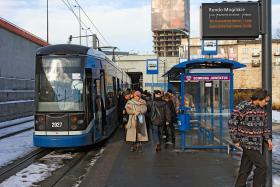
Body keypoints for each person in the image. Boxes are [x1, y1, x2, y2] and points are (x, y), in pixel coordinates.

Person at [228, 89, 272, 187]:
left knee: (245, 169)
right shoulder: (243, 107)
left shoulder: (262, 109)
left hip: (257, 144)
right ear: (259, 98)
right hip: (247, 143)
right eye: (265, 101)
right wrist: (235, 139)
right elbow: (232, 123)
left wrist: (268, 138)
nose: (266, 103)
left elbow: (265, 125)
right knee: (262, 166)